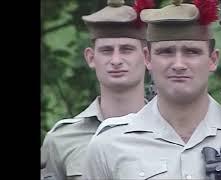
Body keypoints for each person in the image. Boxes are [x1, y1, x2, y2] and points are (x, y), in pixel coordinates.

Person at [83, 0, 221, 179]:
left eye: (191, 52)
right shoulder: (109, 144)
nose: (178, 64)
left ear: (213, 60)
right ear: (147, 58)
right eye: (166, 52)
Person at [40, 0, 153, 179]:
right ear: (91, 58)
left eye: (126, 49)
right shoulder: (62, 140)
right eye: (107, 50)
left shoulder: (169, 132)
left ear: (147, 56)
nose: (116, 60)